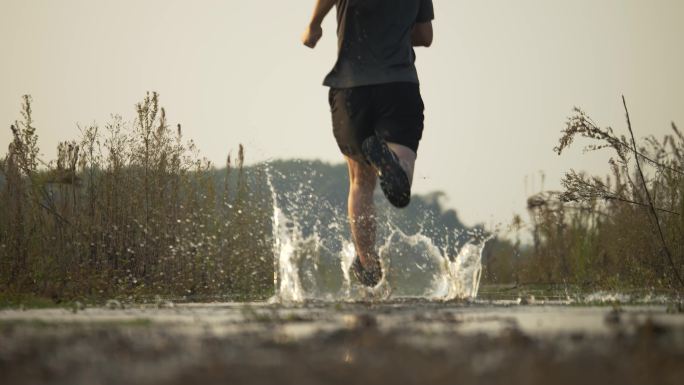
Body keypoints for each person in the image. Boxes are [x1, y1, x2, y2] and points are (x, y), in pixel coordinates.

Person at [302, 0, 434, 287]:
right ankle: (395, 164)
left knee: (360, 181)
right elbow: (425, 36)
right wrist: (395, 30)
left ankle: (367, 264)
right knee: (401, 161)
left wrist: (314, 24)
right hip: (399, 85)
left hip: (352, 88)